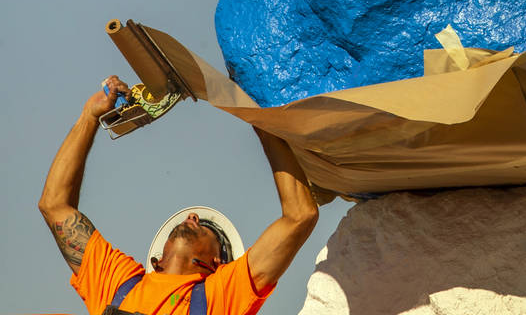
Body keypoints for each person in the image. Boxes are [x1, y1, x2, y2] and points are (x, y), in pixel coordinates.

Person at [38, 74, 319, 314]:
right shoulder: (120, 284)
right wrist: (89, 116)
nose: (193, 215)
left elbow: (300, 215)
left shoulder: (221, 295)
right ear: (156, 261)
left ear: (218, 263)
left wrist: (261, 123)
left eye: (207, 227)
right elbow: (53, 205)